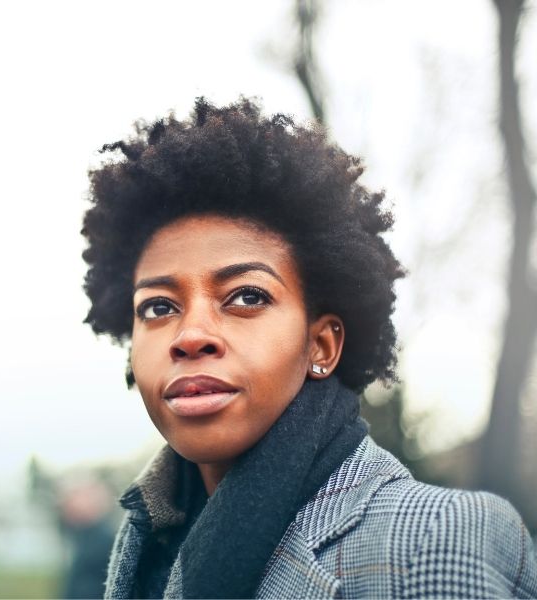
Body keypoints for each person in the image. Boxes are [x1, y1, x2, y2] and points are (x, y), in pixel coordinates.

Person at [80, 97, 537, 599]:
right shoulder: (150, 540)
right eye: (158, 308)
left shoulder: (436, 541)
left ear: (321, 345)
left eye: (247, 297)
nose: (190, 335)